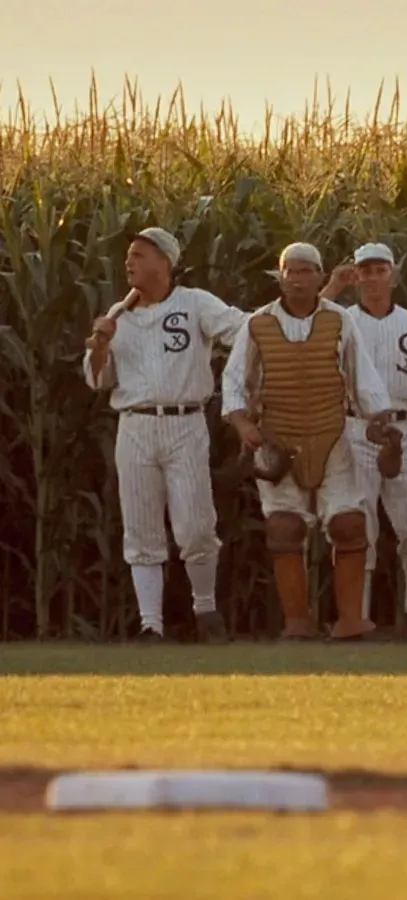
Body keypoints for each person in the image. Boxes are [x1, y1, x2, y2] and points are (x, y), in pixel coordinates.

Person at [221, 242, 393, 641]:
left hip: (332, 436)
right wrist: (242, 424)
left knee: (349, 524)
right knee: (284, 527)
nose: (297, 279)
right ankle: (297, 622)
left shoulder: (340, 320)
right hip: (278, 438)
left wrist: (378, 417)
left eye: (305, 271)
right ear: (280, 277)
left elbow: (361, 374)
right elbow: (233, 380)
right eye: (290, 272)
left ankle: (349, 620)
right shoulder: (258, 323)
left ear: (319, 276)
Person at [83, 226, 246, 643]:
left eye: (139, 254)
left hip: (185, 421)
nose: (129, 261)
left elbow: (243, 330)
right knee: (141, 527)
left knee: (196, 524)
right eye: (129, 255)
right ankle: (150, 624)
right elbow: (98, 380)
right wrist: (100, 345)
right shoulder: (118, 315)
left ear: (164, 261)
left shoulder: (194, 303)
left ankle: (205, 609)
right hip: (134, 424)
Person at [319, 242, 407, 641]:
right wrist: (332, 287)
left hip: (404, 429)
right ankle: (357, 619)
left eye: (380, 270)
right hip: (355, 428)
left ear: (394, 275)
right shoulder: (340, 320)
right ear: (355, 276)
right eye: (365, 271)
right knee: (359, 529)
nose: (373, 278)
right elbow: (300, 326)